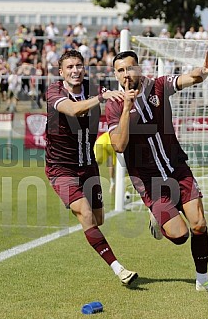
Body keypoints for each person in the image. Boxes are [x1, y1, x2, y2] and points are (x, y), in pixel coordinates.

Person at [105, 50, 208, 294]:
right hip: (149, 182)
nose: (126, 74)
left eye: (130, 68)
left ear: (139, 68)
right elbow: (118, 145)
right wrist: (127, 106)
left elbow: (188, 78)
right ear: (115, 74)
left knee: (199, 225)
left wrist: (202, 71)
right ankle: (157, 216)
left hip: (177, 169)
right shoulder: (114, 105)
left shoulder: (158, 86)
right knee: (180, 235)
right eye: (120, 70)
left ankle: (202, 281)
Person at [44, 50, 138, 285]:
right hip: (61, 168)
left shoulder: (94, 87)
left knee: (98, 219)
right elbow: (74, 110)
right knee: (86, 214)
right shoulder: (55, 91)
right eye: (70, 67)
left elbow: (122, 85)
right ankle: (119, 270)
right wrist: (102, 98)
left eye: (79, 66)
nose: (75, 70)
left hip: (88, 166)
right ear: (61, 72)